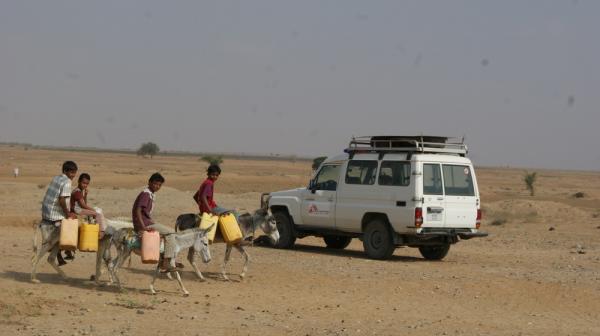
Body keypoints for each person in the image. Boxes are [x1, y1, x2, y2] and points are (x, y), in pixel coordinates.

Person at [132, 173, 178, 272]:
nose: (157, 186)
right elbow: (138, 210)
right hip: (145, 224)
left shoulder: (150, 194)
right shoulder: (146, 194)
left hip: (147, 222)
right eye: (155, 184)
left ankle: (163, 258)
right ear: (149, 182)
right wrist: (143, 227)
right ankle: (166, 262)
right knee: (171, 232)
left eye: (159, 185)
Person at [41, 161, 78, 266]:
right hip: (54, 214)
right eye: (71, 172)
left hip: (46, 211)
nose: (73, 175)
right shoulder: (67, 182)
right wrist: (68, 214)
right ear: (65, 171)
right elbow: (62, 200)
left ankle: (59, 254)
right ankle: (68, 250)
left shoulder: (57, 178)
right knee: (73, 225)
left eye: (75, 172)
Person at [70, 173, 106, 239]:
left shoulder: (80, 191)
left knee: (94, 212)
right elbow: (83, 205)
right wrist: (92, 210)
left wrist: (85, 195)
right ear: (79, 181)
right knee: (97, 214)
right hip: (77, 210)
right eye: (83, 183)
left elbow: (84, 203)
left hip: (79, 209)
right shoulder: (77, 192)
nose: (85, 185)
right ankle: (101, 233)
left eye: (87, 184)